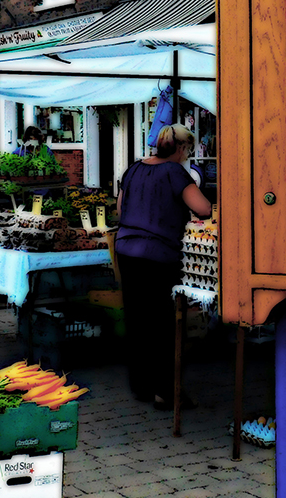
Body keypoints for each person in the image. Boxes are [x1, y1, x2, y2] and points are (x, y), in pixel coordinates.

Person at [114, 123, 212, 410]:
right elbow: (204, 208)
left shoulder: (134, 169)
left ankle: (141, 386)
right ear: (181, 148)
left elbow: (120, 209)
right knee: (162, 323)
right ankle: (165, 392)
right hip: (158, 254)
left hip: (126, 251)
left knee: (137, 319)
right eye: (187, 149)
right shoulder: (174, 172)